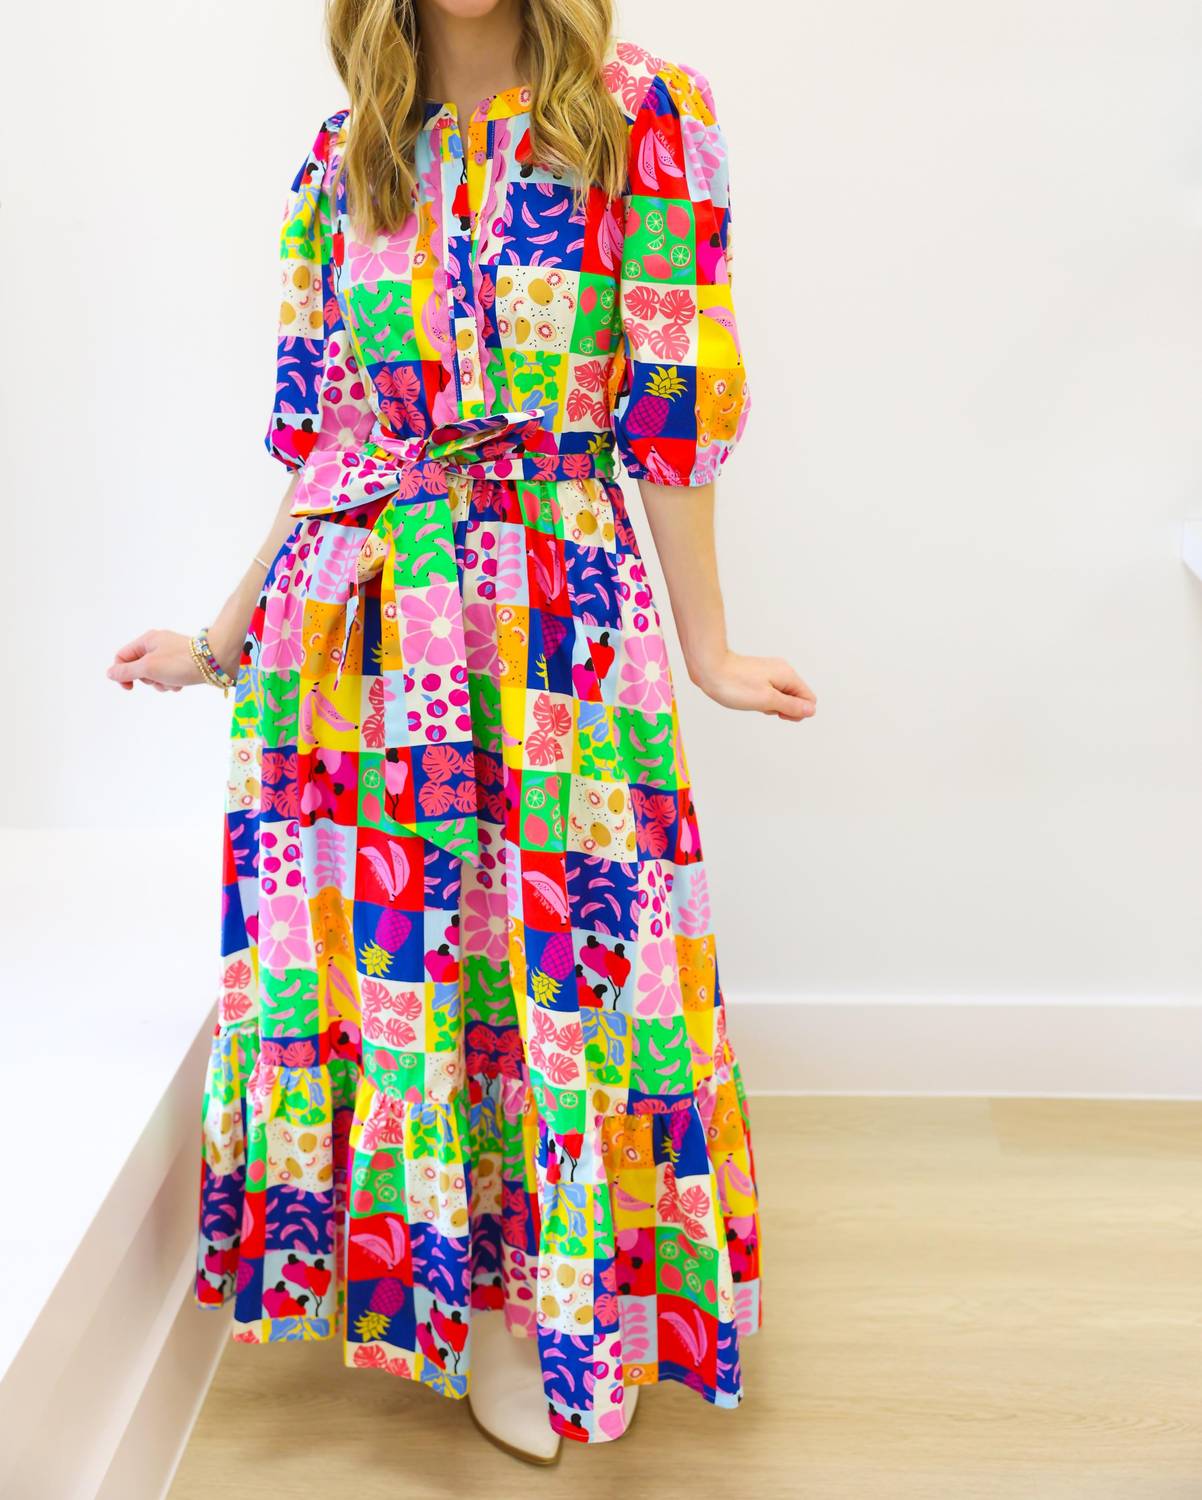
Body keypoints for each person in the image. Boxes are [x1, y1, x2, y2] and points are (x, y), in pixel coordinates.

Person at [107, 0, 815, 1465]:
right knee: (407, 977)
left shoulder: (640, 115)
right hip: (357, 637)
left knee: (564, 966)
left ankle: (562, 1298)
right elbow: (332, 439)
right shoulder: (347, 153)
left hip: (555, 612)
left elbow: (673, 389)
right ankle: (477, 1303)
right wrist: (222, 640)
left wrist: (707, 646)